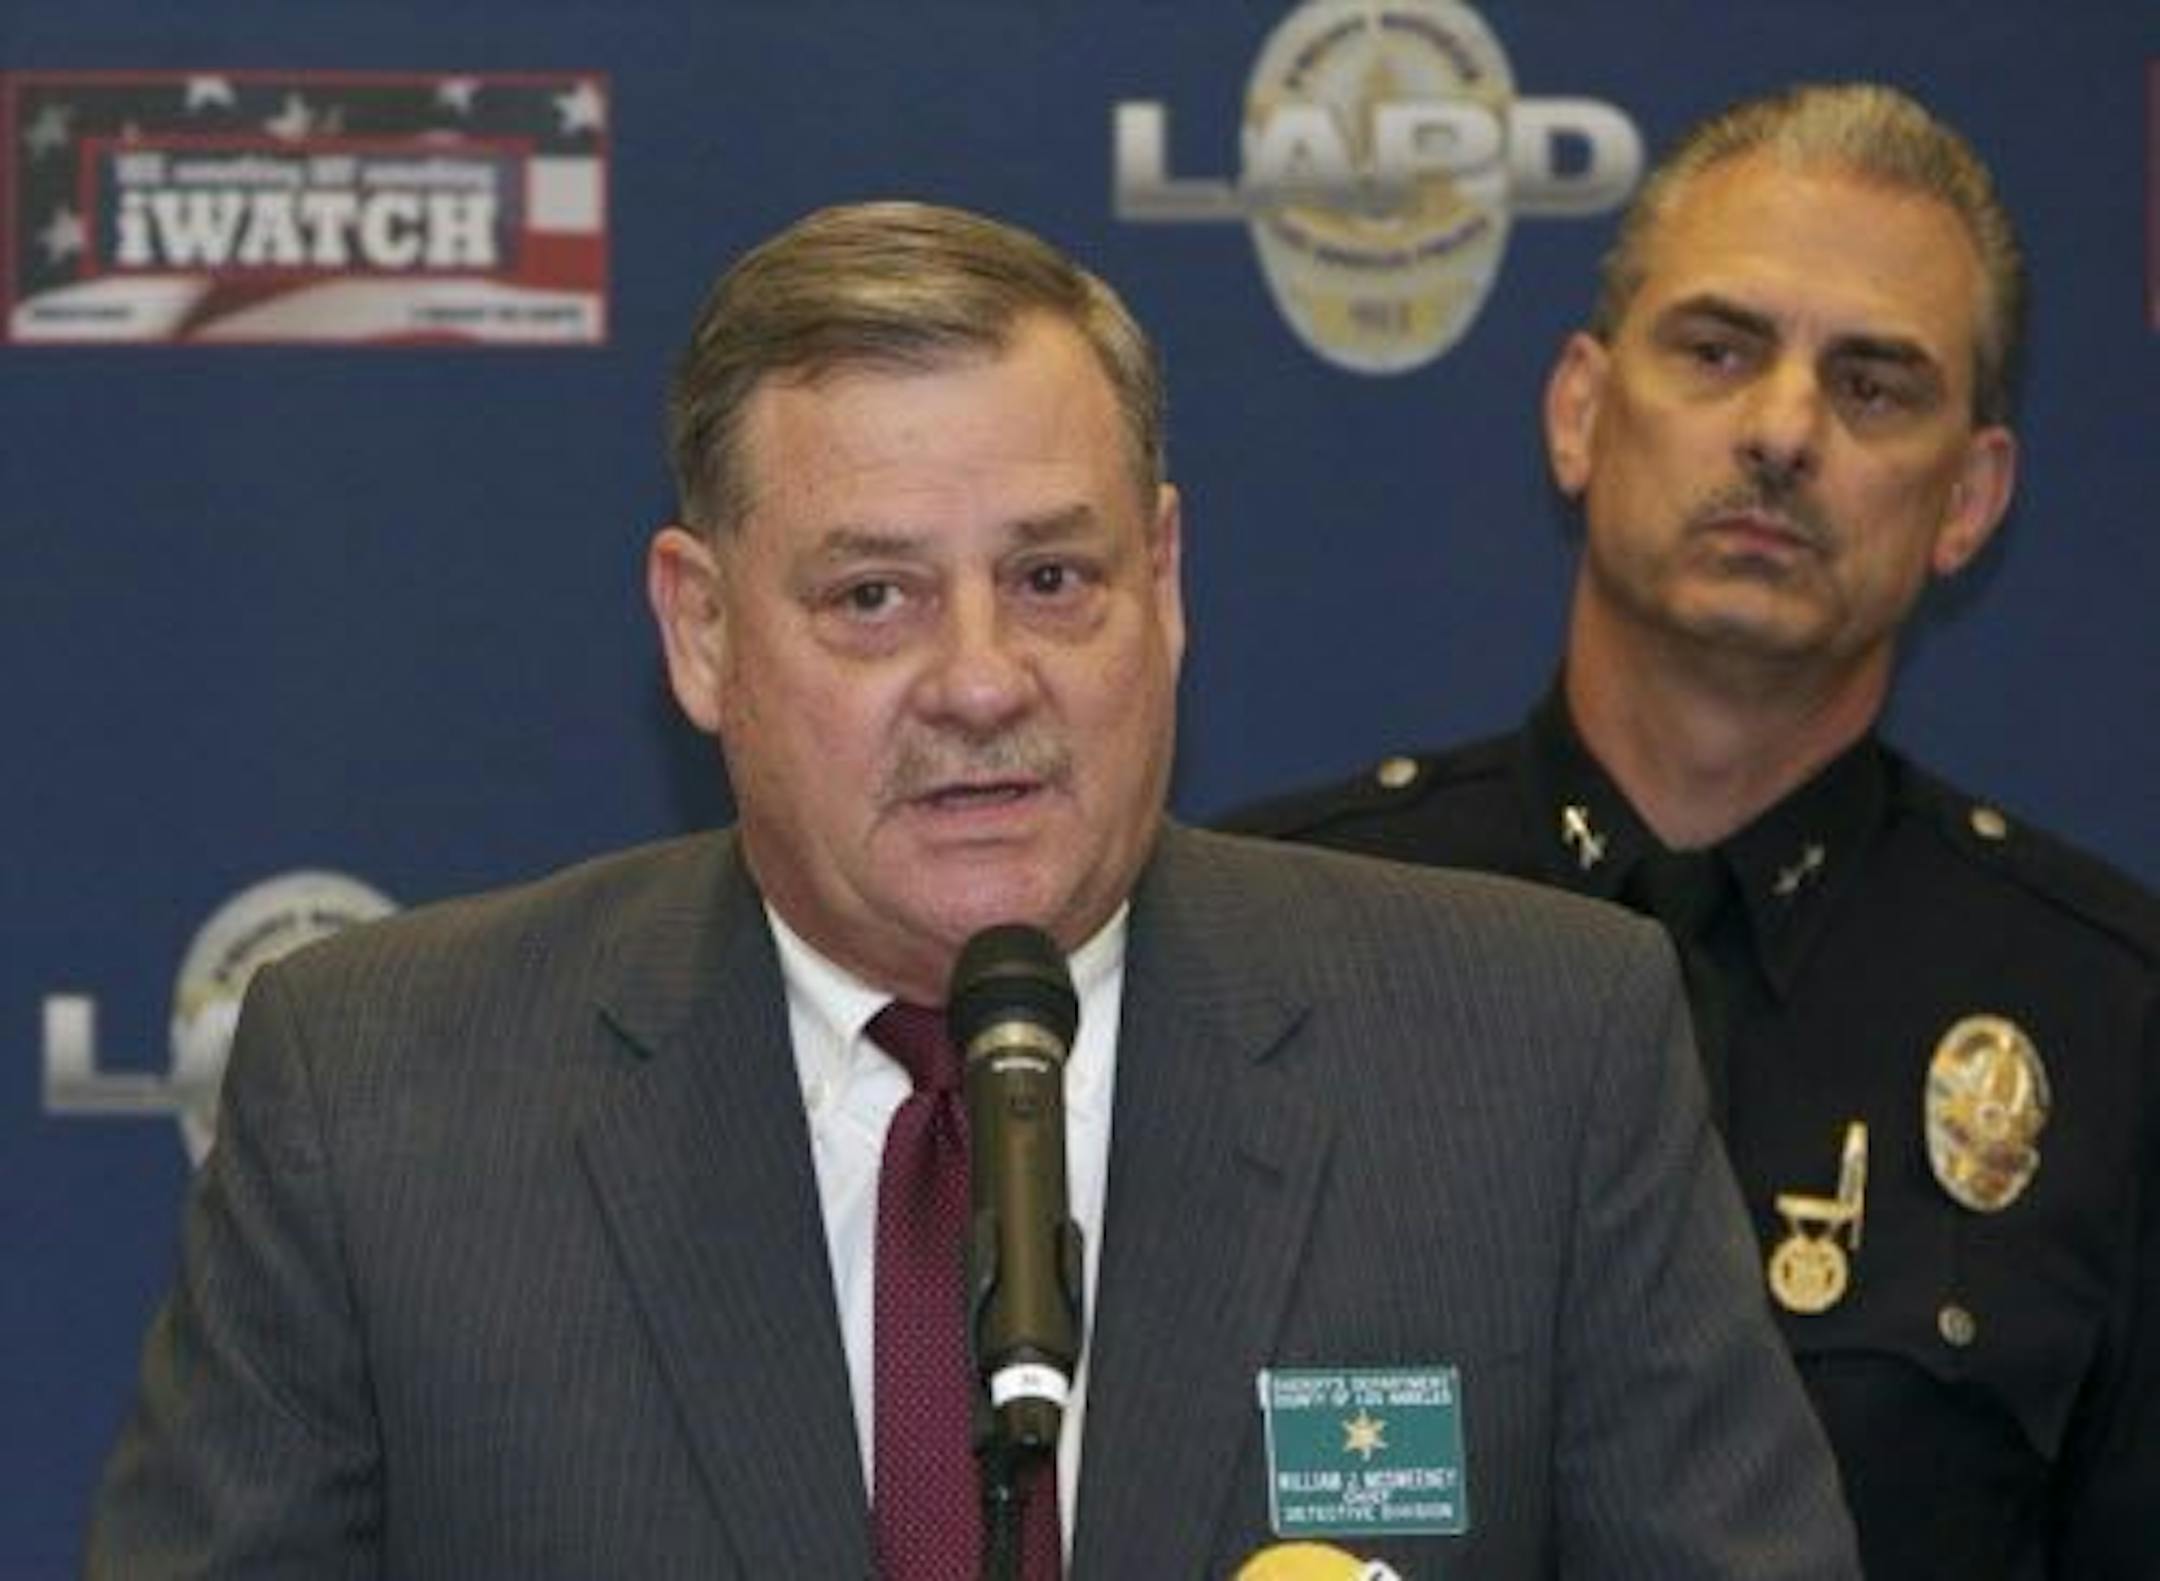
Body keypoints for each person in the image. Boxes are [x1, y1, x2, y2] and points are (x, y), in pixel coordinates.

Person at [85, 200, 1859, 1579]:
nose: (984, 677)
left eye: (1055, 576)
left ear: (1163, 581)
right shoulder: (377, 1096)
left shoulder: (1538, 1060)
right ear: (700, 630)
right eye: (874, 596)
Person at [1226, 84, 2158, 1580]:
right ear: (1581, 410)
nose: (1783, 431)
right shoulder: (1270, 927)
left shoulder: (2113, 1015)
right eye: (1719, 350)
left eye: (1873, 385)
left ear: (1970, 497)